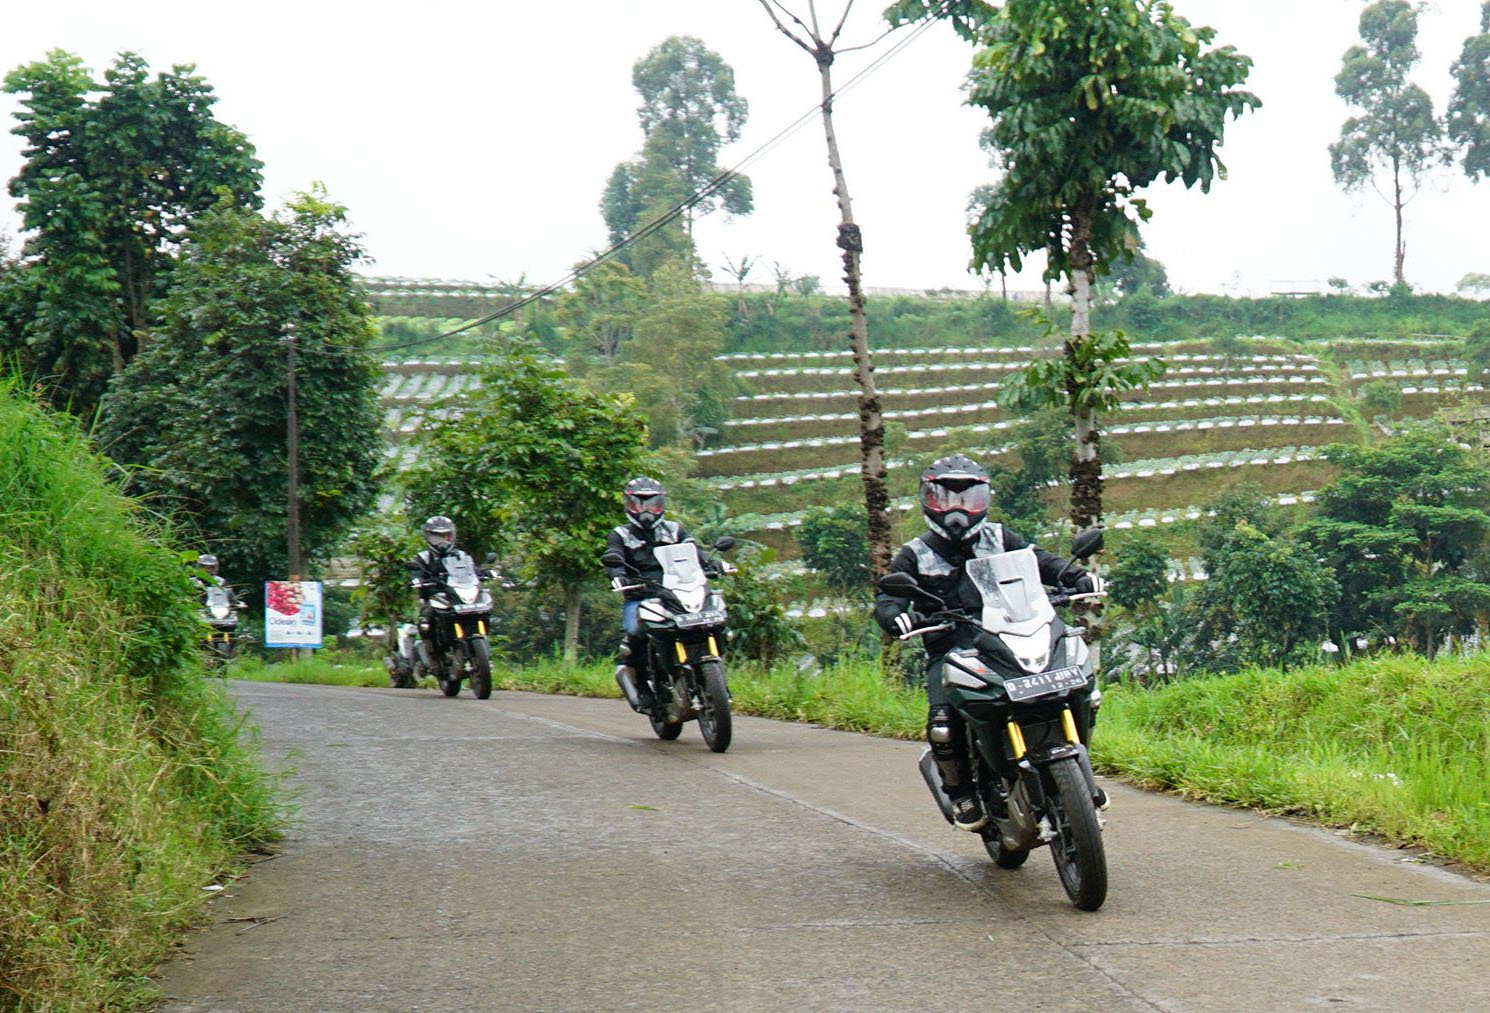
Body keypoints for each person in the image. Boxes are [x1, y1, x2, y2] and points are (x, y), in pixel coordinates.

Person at [874, 454, 1104, 832]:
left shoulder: (1001, 538)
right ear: (928, 501)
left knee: (1076, 686)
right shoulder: (915, 553)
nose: (957, 509)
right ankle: (962, 792)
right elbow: (890, 597)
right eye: (945, 498)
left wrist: (1077, 577)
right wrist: (896, 615)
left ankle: (1079, 773)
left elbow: (1043, 563)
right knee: (943, 723)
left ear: (984, 501)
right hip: (952, 649)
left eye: (969, 499)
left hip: (1011, 636)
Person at [603, 477, 700, 711]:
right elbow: (613, 558)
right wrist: (618, 575)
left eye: (652, 504)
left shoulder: (675, 530)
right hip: (640, 596)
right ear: (629, 504)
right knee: (636, 632)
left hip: (675, 593)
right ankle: (644, 688)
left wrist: (714, 564)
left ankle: (705, 672)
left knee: (706, 619)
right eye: (639, 504)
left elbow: (695, 552)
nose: (646, 511)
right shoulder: (620, 534)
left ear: (661, 504)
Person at [407, 515, 477, 675]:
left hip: (457, 597)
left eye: (445, 536)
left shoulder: (461, 556)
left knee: (478, 609)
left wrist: (486, 573)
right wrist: (416, 579)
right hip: (433, 597)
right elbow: (415, 572)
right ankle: (433, 659)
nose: (442, 541)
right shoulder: (423, 557)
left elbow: (473, 571)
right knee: (425, 622)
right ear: (428, 537)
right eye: (436, 537)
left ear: (452, 535)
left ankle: (475, 650)